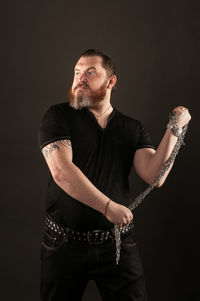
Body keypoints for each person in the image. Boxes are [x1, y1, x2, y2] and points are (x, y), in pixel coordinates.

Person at [39, 49, 191, 301]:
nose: (80, 78)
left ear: (111, 82)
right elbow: (61, 172)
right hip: (63, 244)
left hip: (117, 244)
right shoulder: (58, 116)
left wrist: (175, 129)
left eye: (90, 72)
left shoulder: (132, 127)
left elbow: (156, 176)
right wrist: (108, 207)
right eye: (77, 72)